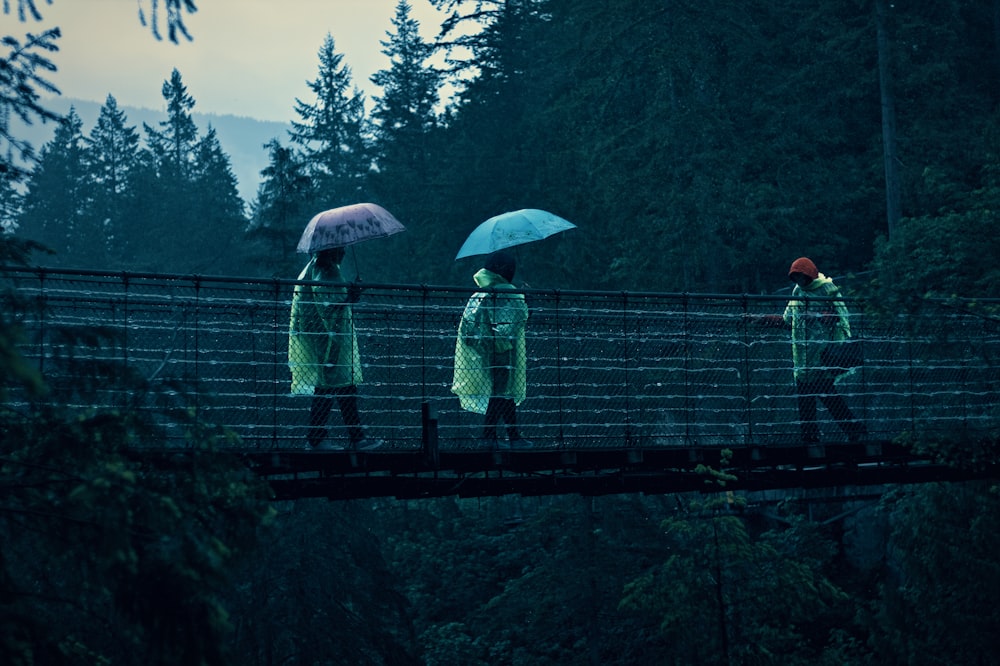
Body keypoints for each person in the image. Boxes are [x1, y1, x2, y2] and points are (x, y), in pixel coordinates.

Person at [760, 257, 866, 443]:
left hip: (822, 352)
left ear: (809, 275)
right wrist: (761, 319)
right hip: (802, 357)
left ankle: (840, 431)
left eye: (801, 277)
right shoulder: (798, 291)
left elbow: (839, 317)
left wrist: (816, 315)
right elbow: (788, 320)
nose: (799, 281)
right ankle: (825, 434)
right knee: (810, 398)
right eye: (796, 278)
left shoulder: (827, 289)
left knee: (824, 394)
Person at [288, 246, 382, 451]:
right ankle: (331, 439)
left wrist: (350, 294)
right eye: (341, 248)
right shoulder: (325, 268)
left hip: (322, 336)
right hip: (330, 338)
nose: (345, 252)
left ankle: (331, 437)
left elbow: (328, 300)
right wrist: (352, 294)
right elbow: (329, 303)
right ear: (332, 250)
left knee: (336, 385)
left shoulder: (314, 267)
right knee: (336, 384)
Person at [451, 250, 532, 449]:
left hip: (488, 350)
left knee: (502, 392)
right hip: (502, 350)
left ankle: (504, 436)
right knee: (502, 392)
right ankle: (495, 437)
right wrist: (524, 298)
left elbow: (470, 327)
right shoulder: (506, 292)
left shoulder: (482, 293)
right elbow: (512, 322)